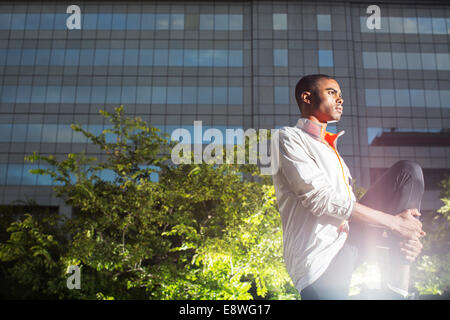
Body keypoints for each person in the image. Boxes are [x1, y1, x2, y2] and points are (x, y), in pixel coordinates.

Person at [271, 74, 426, 300]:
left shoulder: (332, 151)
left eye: (341, 95)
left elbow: (348, 209)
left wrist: (407, 236)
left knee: (407, 172)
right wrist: (394, 223)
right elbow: (319, 198)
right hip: (320, 257)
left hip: (349, 237)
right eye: (332, 92)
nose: (340, 100)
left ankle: (398, 287)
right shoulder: (287, 138)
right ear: (307, 97)